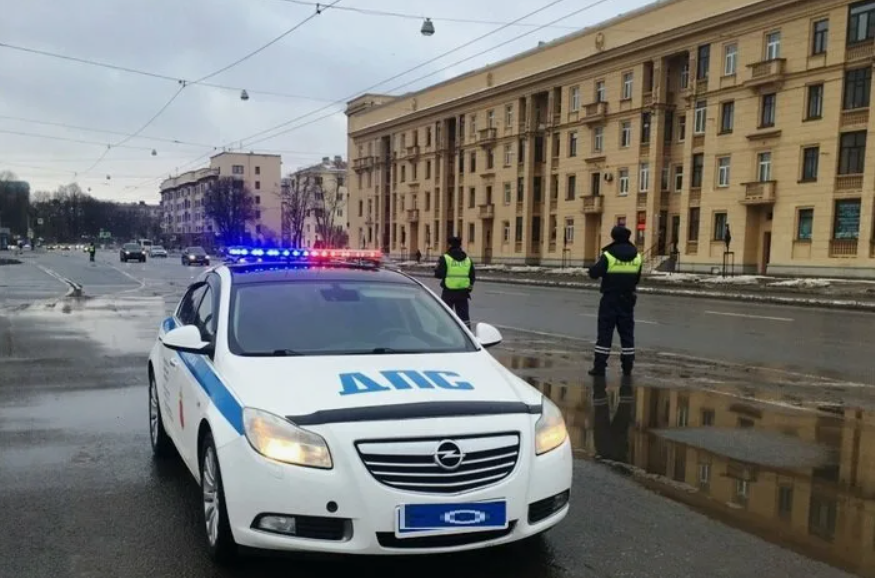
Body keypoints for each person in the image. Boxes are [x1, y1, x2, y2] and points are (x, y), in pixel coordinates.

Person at [587, 225, 642, 376]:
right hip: (628, 299)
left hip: (610, 299)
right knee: (627, 334)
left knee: (605, 333)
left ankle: (600, 367)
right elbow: (637, 278)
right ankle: (628, 366)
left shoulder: (609, 255)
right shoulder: (637, 256)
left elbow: (594, 273)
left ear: (614, 237)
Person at [434, 236, 475, 328]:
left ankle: (442, 334)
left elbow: (438, 274)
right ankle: (467, 336)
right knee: (464, 318)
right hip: (463, 292)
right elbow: (472, 276)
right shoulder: (467, 259)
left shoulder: (445, 258)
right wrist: (469, 288)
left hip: (448, 292)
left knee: (445, 315)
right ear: (460, 245)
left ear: (449, 245)